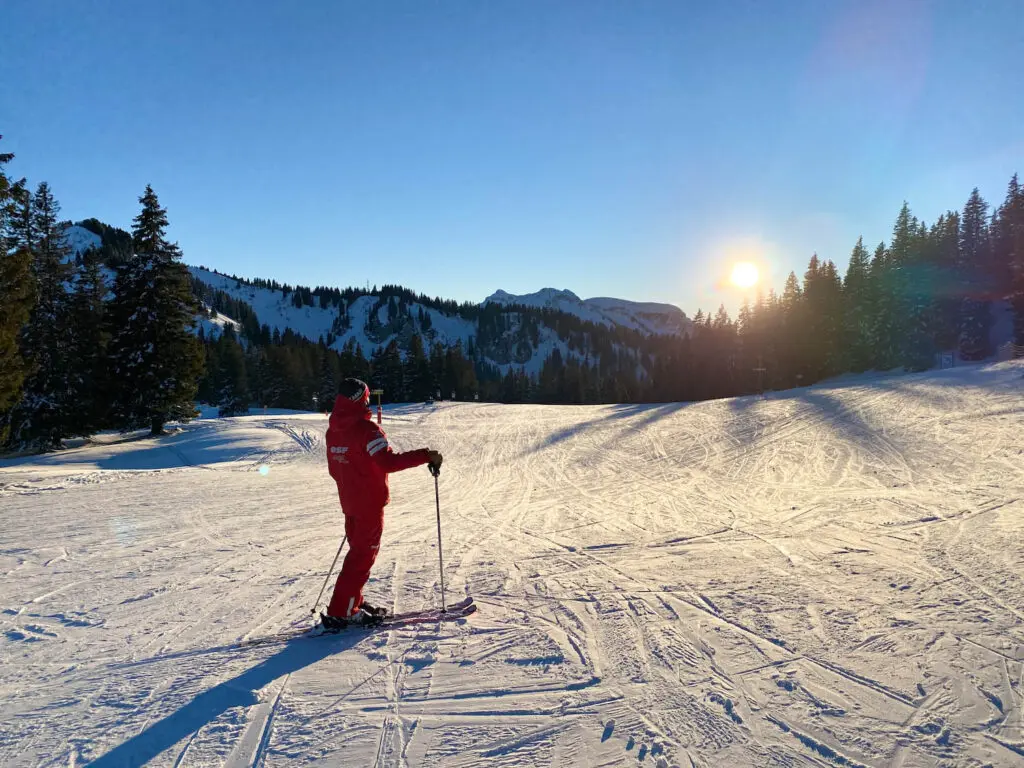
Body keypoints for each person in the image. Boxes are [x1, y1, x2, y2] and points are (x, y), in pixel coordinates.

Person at [322, 378, 442, 628]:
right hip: (368, 505)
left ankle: (351, 601)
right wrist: (425, 456)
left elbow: (335, 469)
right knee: (362, 558)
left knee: (358, 554)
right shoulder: (367, 431)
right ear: (361, 400)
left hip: (350, 504)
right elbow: (388, 463)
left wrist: (352, 486)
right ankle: (343, 611)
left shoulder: (334, 431)